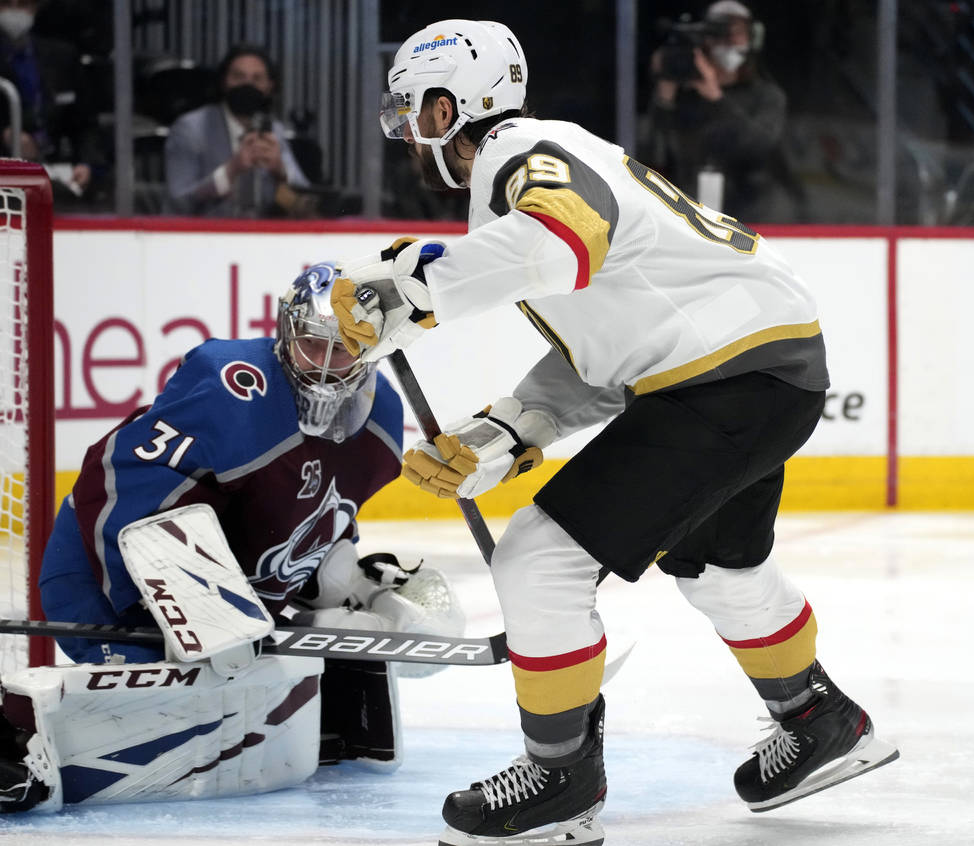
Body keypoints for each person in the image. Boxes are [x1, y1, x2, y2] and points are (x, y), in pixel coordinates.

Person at [333, 19, 898, 846]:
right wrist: (508, 428)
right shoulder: (542, 165)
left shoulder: (517, 154)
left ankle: (560, 782)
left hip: (728, 381)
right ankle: (821, 721)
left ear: (456, 105)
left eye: (415, 113)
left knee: (538, 558)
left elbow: (564, 245)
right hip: (759, 369)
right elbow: (609, 356)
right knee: (717, 564)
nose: (408, 137)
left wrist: (413, 290)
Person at [0, 261, 464, 812]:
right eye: (315, 344)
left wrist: (357, 592)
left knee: (258, 685)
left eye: (346, 349)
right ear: (288, 332)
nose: (328, 366)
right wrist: (201, 608)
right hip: (101, 578)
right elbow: (116, 479)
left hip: (240, 611)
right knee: (202, 692)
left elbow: (311, 524)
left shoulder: (382, 419)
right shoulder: (232, 383)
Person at [644, 1, 800, 222]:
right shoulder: (684, 96)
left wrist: (716, 97)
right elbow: (655, 152)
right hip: (689, 215)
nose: (727, 42)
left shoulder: (767, 96)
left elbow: (758, 146)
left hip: (752, 216)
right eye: (718, 34)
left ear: (752, 38)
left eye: (735, 33)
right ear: (705, 41)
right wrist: (665, 97)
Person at [164, 44, 312, 217]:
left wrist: (280, 174)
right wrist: (230, 171)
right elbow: (177, 203)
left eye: (257, 79)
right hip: (207, 238)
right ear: (224, 81)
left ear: (269, 86)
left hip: (262, 238)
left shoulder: (273, 130)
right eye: (238, 77)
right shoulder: (190, 128)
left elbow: (306, 206)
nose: (247, 85)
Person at [0, 0, 105, 209]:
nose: (15, 11)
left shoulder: (62, 56)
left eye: (22, 4)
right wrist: (5, 136)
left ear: (35, 8)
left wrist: (86, 162)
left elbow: (85, 123)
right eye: (6, 4)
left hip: (55, 171)